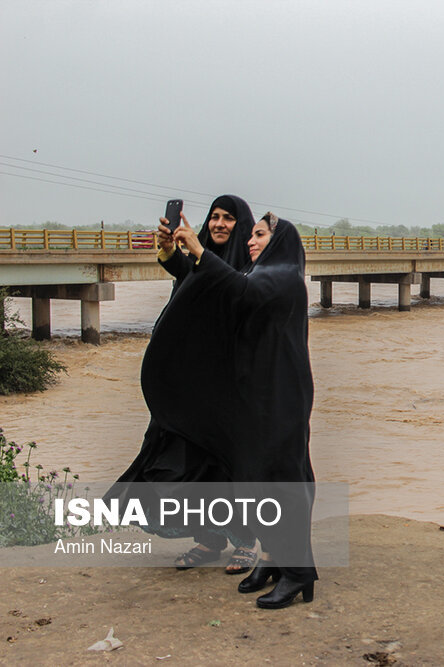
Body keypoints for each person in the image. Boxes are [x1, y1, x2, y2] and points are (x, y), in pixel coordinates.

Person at [151, 211, 318, 608]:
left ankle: (297, 571)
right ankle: (277, 559)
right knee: (261, 478)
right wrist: (176, 253)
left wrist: (197, 249)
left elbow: (239, 292)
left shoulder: (283, 279)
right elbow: (220, 290)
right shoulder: (265, 275)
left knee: (280, 481)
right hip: (261, 396)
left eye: (260, 235)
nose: (250, 240)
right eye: (253, 235)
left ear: (280, 242)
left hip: (281, 397)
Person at [115, 195, 258, 574]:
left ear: (241, 225)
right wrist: (167, 247)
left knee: (225, 466)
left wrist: (197, 253)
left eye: (228, 219)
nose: (219, 224)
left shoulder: (252, 267)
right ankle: (208, 539)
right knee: (179, 464)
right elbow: (187, 272)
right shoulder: (201, 259)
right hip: (188, 389)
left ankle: (246, 543)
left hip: (227, 390)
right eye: (214, 217)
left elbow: (238, 293)